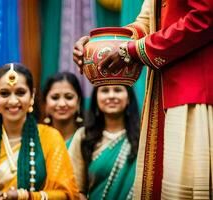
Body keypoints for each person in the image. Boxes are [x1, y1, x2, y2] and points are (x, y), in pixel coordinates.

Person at [73, 0, 213, 199]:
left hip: (197, 95)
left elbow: (205, 16)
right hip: (167, 97)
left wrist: (133, 50)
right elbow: (145, 24)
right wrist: (95, 47)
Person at [0, 63, 79, 199]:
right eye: (4, 93)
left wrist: (24, 196)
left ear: (32, 96)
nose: (13, 101)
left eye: (20, 92)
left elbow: (66, 195)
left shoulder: (50, 138)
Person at [68, 85, 140, 200]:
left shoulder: (143, 137)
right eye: (105, 90)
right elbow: (76, 189)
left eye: (118, 90)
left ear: (129, 98)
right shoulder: (84, 136)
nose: (111, 96)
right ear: (96, 98)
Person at [42, 72, 84, 148]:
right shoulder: (37, 140)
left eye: (69, 97)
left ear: (78, 102)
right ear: (45, 103)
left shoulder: (87, 139)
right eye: (55, 97)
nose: (62, 104)